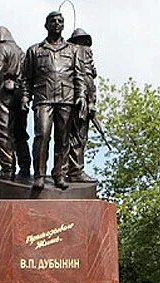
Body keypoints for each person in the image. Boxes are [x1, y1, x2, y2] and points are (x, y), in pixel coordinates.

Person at [21, 11, 86, 190]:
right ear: (46, 25)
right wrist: (26, 97)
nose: (57, 23)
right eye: (53, 21)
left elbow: (79, 76)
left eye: (60, 21)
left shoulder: (73, 50)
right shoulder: (35, 50)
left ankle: (59, 174)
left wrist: (80, 95)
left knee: (63, 138)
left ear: (63, 25)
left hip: (66, 98)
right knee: (42, 135)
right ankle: (39, 175)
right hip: (43, 98)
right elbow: (26, 78)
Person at [0, 26, 32, 180]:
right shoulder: (21, 52)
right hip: (22, 93)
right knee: (20, 134)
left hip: (5, 93)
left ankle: (7, 168)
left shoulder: (1, 48)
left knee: (1, 133)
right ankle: (25, 168)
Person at [66, 27, 97, 183]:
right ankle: (75, 170)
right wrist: (91, 102)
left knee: (71, 137)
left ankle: (68, 169)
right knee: (78, 137)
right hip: (79, 102)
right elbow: (87, 83)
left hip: (70, 99)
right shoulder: (83, 54)